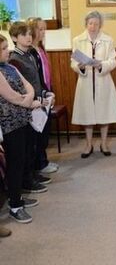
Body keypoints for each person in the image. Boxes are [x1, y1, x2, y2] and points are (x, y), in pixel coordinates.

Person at [0, 33, 41, 223]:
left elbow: (27, 86)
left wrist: (29, 98)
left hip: (22, 119)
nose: (7, 51)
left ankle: (19, 197)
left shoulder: (9, 68)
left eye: (6, 47)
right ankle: (15, 205)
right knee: (15, 164)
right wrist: (29, 102)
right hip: (9, 124)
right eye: (2, 49)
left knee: (23, 158)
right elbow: (11, 96)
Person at [71, 11, 116, 158]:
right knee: (87, 113)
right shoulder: (78, 40)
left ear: (100, 25)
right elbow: (73, 62)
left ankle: (104, 143)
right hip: (86, 81)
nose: (93, 26)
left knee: (104, 112)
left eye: (96, 23)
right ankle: (88, 144)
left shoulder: (108, 40)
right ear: (86, 24)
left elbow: (113, 61)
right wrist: (80, 66)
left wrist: (101, 64)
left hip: (102, 80)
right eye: (90, 23)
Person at [9, 21, 48, 194]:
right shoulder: (15, 60)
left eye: (29, 34)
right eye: (24, 35)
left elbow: (37, 79)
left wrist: (45, 94)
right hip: (27, 106)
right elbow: (20, 87)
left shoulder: (31, 54)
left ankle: (33, 174)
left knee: (34, 143)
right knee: (27, 147)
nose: (29, 37)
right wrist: (32, 101)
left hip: (38, 102)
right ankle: (27, 180)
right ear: (15, 38)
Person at [27, 17, 58, 176]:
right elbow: (35, 76)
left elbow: (46, 73)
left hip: (46, 91)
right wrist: (43, 93)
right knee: (39, 132)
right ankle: (40, 163)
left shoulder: (41, 48)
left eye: (44, 28)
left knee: (45, 130)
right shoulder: (31, 50)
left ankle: (43, 160)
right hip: (38, 95)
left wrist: (50, 90)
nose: (43, 32)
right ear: (32, 31)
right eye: (40, 29)